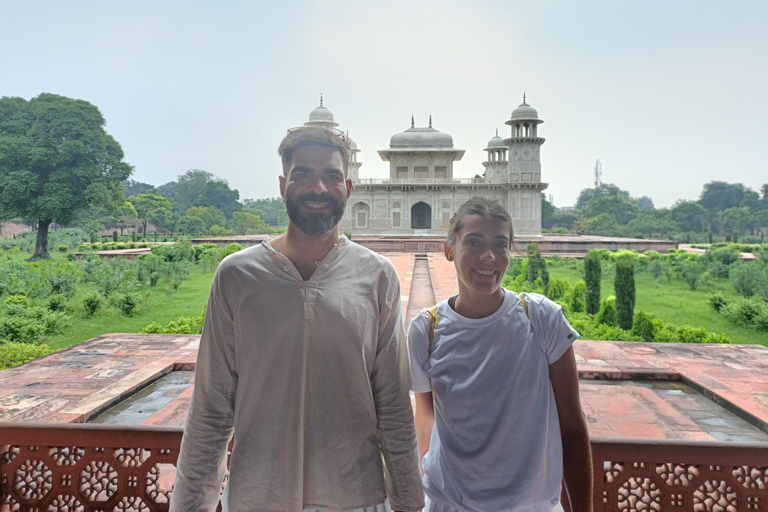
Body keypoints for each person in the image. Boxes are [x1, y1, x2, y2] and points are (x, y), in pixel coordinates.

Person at [171, 126, 424, 512]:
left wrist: (409, 502)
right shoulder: (238, 276)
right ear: (282, 185)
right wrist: (190, 506)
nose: (318, 188)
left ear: (349, 187)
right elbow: (212, 405)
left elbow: (391, 402)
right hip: (259, 495)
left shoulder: (376, 276)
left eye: (332, 176)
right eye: (302, 174)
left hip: (354, 497)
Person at [407, 197, 593, 512]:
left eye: (500, 244)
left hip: (528, 505)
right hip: (449, 503)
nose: (488, 256)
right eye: (474, 242)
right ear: (449, 250)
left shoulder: (540, 318)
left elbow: (572, 426)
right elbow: (426, 418)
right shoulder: (427, 330)